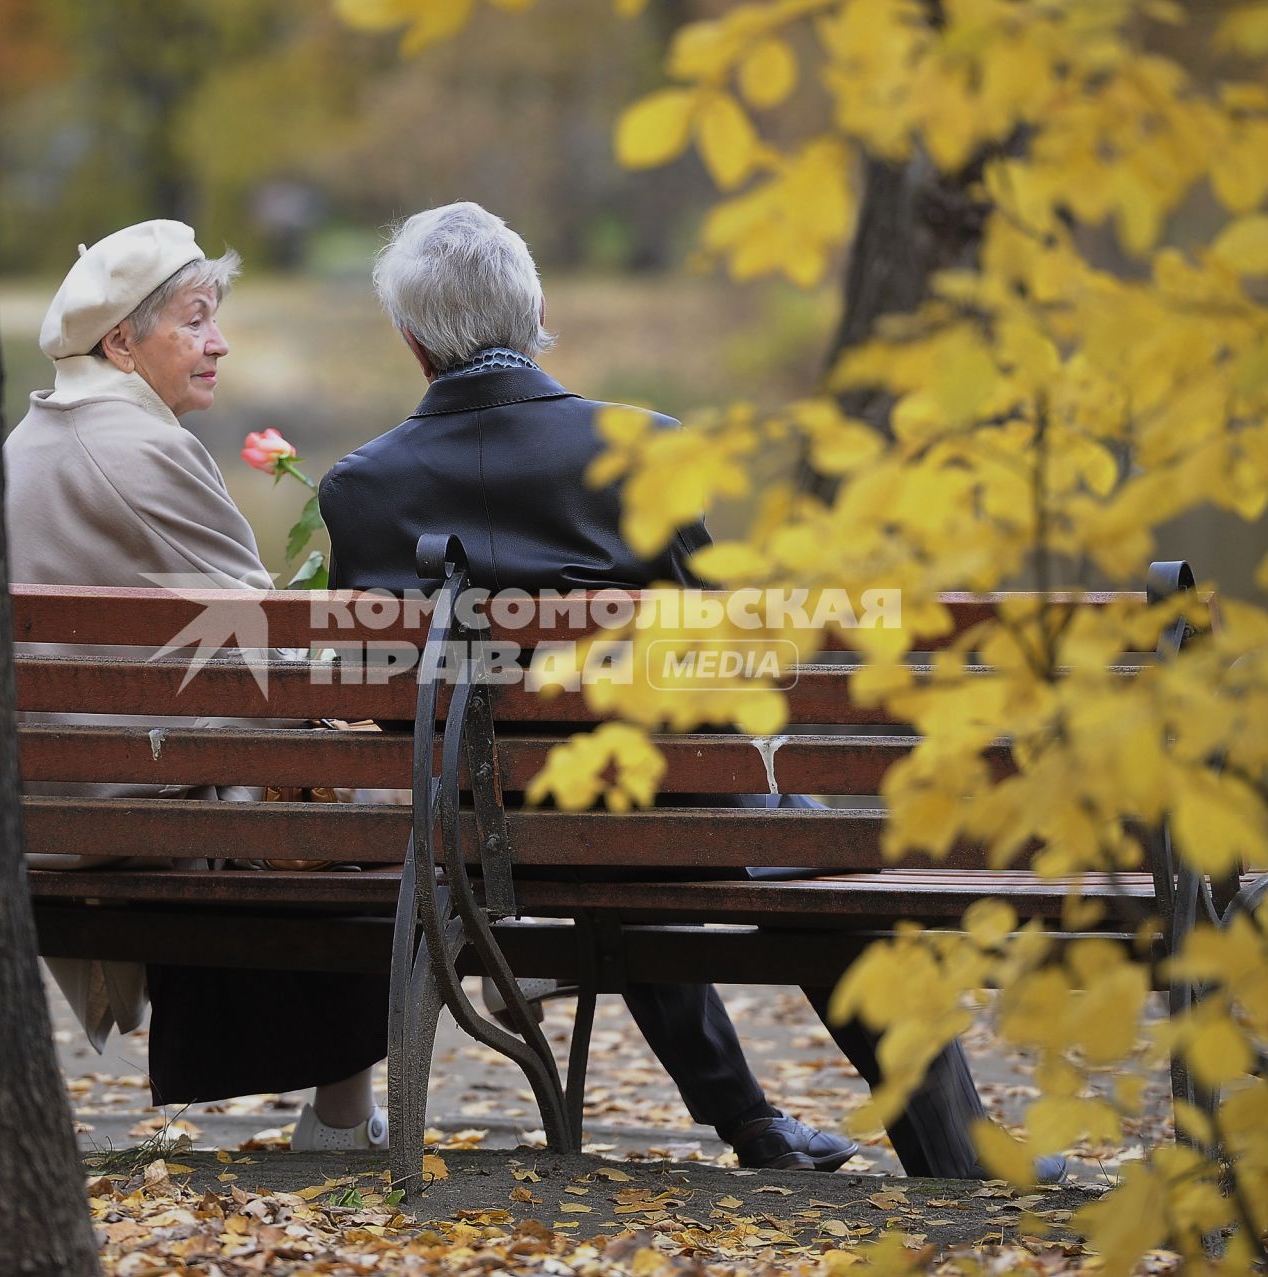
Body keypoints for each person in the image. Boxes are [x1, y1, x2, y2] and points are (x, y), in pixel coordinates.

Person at [318, 201, 1027, 1178]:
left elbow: (373, 691)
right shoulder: (642, 447)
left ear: (410, 339)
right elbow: (734, 654)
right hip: (659, 801)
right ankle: (958, 1151)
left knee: (626, 839)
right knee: (790, 843)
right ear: (534, 314)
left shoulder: (360, 486)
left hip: (477, 832)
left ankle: (759, 1130)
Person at [1, 220, 388, 1152]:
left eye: (217, 319)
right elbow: (268, 649)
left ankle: (338, 1108)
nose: (219, 342)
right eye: (196, 320)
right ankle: (343, 1118)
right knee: (372, 791)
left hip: (39, 797)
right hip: (120, 808)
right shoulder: (141, 448)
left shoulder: (32, 438)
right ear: (121, 343)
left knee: (316, 767)